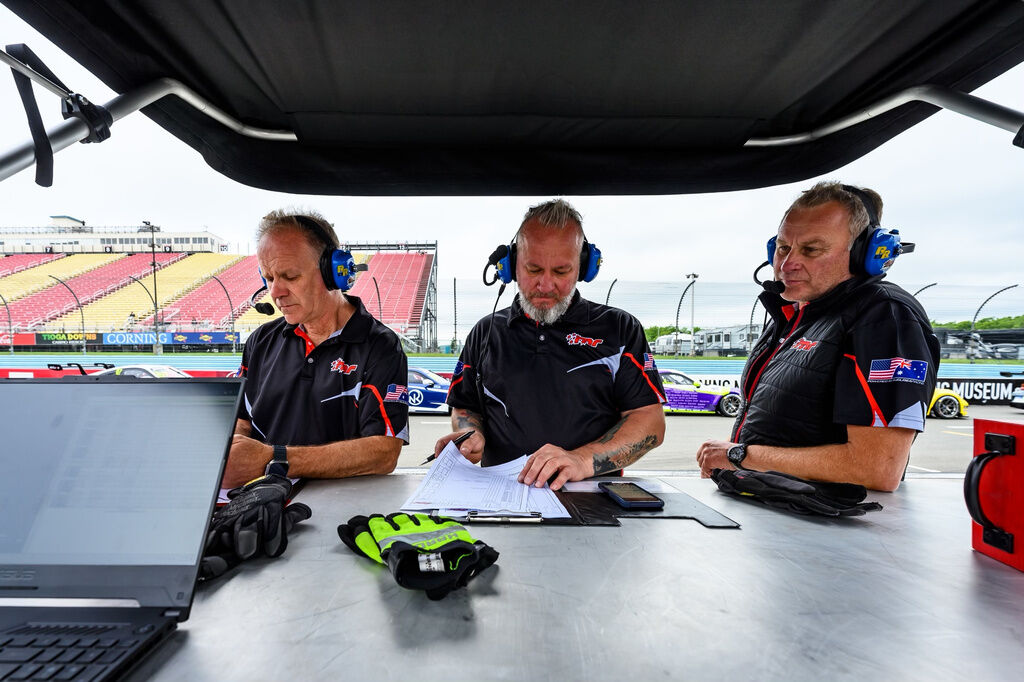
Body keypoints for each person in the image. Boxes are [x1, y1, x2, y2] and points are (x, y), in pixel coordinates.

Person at [696, 182, 940, 491]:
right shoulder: (798, 313)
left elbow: (877, 468)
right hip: (778, 509)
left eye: (811, 250)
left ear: (864, 254)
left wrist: (740, 455)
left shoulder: (885, 317)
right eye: (782, 248)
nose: (786, 264)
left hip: (834, 521)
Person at [435, 199, 666, 490]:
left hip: (591, 499)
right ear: (510, 266)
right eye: (533, 269)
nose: (545, 285)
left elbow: (650, 422)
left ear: (583, 268)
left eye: (560, 271)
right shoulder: (485, 331)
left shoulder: (620, 328)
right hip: (498, 497)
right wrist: (470, 435)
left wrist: (581, 460)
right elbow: (465, 408)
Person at [224, 210, 409, 487]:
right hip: (261, 501)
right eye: (269, 278)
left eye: (290, 276)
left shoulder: (380, 346)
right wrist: (233, 454)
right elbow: (243, 422)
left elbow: (384, 453)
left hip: (341, 505)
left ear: (333, 273)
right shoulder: (260, 340)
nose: (275, 292)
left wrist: (275, 459)